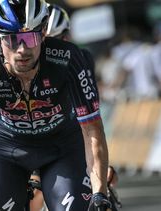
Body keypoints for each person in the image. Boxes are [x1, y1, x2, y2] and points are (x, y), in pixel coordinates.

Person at [0, 0, 111, 210]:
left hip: (62, 149)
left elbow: (92, 130)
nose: (22, 49)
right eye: (12, 40)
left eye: (30, 38)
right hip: (7, 151)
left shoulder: (68, 58)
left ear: (43, 34)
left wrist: (99, 193)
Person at [28, 4, 121, 211]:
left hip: (73, 138)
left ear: (67, 38)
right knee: (32, 197)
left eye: (58, 40)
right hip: (34, 139)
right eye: (45, 42)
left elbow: (92, 122)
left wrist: (101, 167)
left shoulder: (79, 58)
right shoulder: (26, 64)